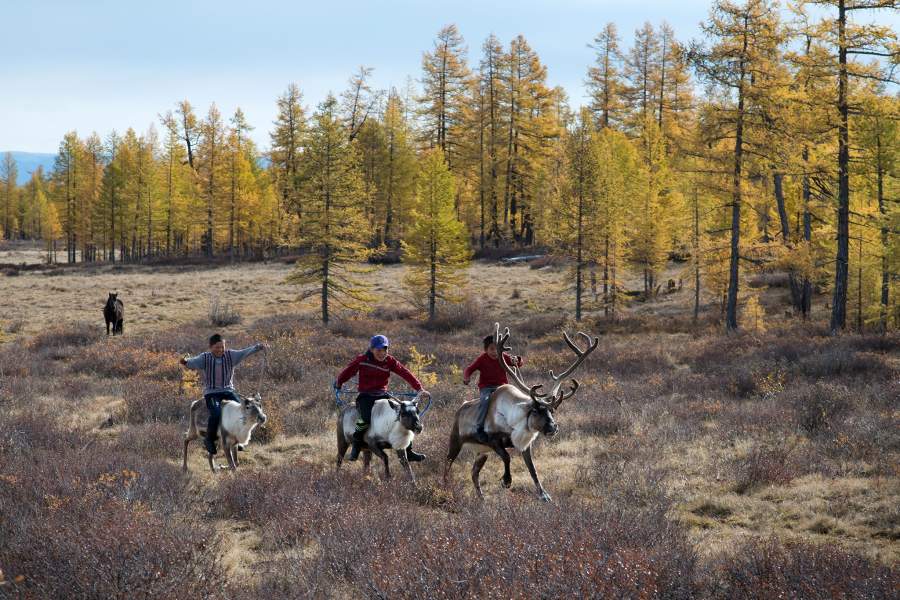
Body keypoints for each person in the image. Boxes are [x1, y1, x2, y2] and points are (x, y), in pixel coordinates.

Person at [334, 334, 430, 462]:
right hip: (366, 396)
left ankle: (409, 450)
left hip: (383, 396)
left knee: (402, 416)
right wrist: (339, 383)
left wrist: (419, 388)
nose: (382, 353)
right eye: (379, 350)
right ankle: (356, 444)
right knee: (365, 418)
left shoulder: (390, 361)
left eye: (385, 350)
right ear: (372, 349)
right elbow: (348, 371)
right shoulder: (362, 360)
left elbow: (404, 372)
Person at [180, 333, 266, 455]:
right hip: (212, 393)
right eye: (217, 347)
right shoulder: (205, 358)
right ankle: (209, 440)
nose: (220, 350)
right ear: (210, 347)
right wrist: (185, 361)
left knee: (242, 410)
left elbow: (245, 352)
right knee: (215, 413)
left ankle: (238, 439)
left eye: (222, 347)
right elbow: (191, 362)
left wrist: (258, 347)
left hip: (228, 391)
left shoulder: (231, 355)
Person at [463, 334, 524, 443]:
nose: (495, 351)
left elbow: (518, 363)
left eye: (497, 348)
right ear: (486, 349)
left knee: (513, 403)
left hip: (502, 388)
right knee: (485, 402)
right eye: (491, 349)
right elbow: (469, 369)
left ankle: (513, 428)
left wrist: (517, 360)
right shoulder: (482, 359)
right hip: (486, 388)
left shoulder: (503, 356)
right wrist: (466, 378)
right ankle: (479, 429)